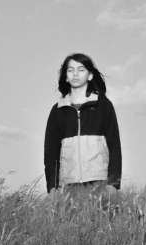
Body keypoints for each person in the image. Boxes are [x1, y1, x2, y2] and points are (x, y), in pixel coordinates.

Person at [44, 53, 122, 195]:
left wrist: (113, 183)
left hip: (100, 182)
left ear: (90, 75)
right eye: (70, 70)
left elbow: (114, 145)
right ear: (66, 77)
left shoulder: (103, 105)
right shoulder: (57, 110)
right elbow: (51, 153)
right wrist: (52, 186)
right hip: (68, 185)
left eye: (81, 69)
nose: (75, 74)